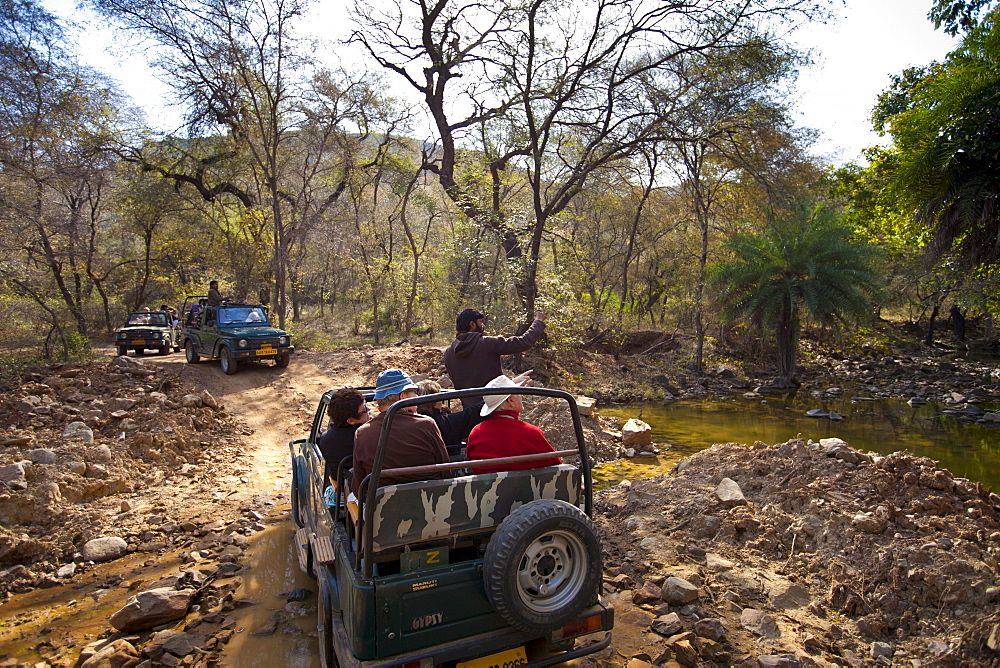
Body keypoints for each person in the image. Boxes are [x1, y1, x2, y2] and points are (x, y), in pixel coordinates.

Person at [351, 369, 450, 496]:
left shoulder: (362, 433)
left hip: (384, 512)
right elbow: (446, 470)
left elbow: (359, 487)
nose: (416, 398)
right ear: (402, 396)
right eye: (414, 393)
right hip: (431, 506)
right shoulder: (426, 424)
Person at [444, 308, 546, 407]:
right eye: (481, 322)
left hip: (469, 415)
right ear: (472, 324)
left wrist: (511, 383)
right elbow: (523, 342)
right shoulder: (487, 343)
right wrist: (538, 322)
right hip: (494, 409)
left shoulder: (448, 353)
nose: (483, 326)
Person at [466, 374, 560, 475]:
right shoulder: (531, 433)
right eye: (518, 392)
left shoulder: (476, 433)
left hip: (481, 490)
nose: (521, 396)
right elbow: (557, 468)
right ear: (510, 400)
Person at [317, 389, 370, 488]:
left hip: (344, 490)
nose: (369, 410)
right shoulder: (368, 435)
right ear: (351, 420)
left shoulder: (325, 439)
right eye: (365, 410)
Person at [415, 379, 488, 446]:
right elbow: (470, 415)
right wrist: (492, 400)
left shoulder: (411, 420)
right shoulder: (442, 424)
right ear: (434, 401)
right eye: (440, 397)